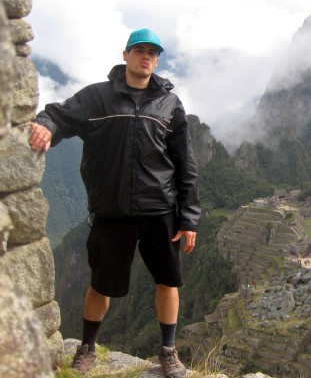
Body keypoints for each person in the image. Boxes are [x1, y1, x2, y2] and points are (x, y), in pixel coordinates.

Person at [29, 28, 200, 378]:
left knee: (168, 281)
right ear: (125, 54)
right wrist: (45, 125)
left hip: (160, 211)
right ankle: (87, 347)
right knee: (100, 284)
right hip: (112, 211)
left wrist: (189, 218)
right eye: (140, 50)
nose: (147, 57)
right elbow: (60, 115)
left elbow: (186, 164)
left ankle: (168, 351)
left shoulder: (170, 104)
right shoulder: (98, 97)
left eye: (153, 52)